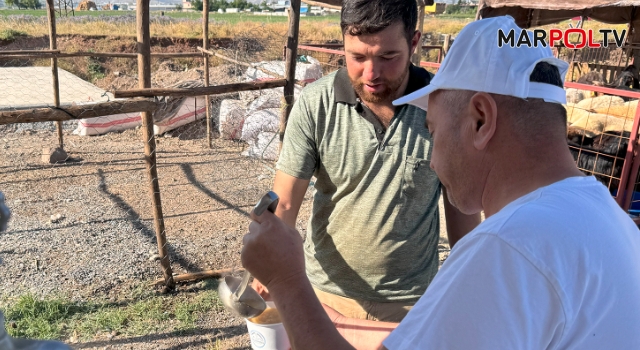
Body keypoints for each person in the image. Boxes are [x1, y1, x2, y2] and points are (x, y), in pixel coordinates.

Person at [242, 15, 640, 349]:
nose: (432, 156)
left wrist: (288, 282)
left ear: (480, 119)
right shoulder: (610, 219)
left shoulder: (505, 252)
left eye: (433, 129)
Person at [257, 0, 480, 323]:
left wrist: (467, 284)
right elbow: (286, 202)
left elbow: (462, 209)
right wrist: (270, 264)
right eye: (357, 57)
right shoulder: (316, 104)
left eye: (388, 57)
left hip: (412, 304)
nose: (371, 73)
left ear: (414, 43)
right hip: (325, 296)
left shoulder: (443, 105)